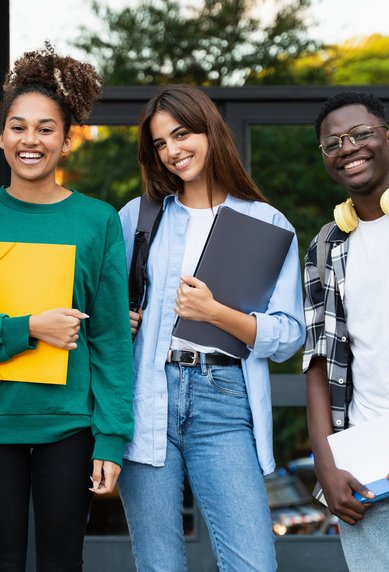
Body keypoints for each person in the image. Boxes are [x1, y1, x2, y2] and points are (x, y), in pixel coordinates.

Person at [118, 84, 305, 572]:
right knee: (159, 564)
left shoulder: (265, 222)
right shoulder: (137, 218)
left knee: (253, 564)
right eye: (160, 143)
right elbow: (107, 312)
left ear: (209, 131)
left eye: (181, 134)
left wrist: (216, 312)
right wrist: (123, 318)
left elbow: (289, 337)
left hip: (223, 401)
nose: (173, 151)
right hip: (147, 399)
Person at [0, 48, 133, 572]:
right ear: (2, 136)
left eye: (45, 129)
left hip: (69, 428)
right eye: (18, 127)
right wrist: (28, 328)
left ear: (66, 139)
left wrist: (112, 436)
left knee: (62, 563)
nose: (30, 140)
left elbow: (110, 341)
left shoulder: (97, 221)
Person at [303, 91, 389, 571]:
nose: (347, 147)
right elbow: (317, 363)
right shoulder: (325, 246)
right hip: (369, 471)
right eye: (332, 142)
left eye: (360, 134)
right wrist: (327, 464)